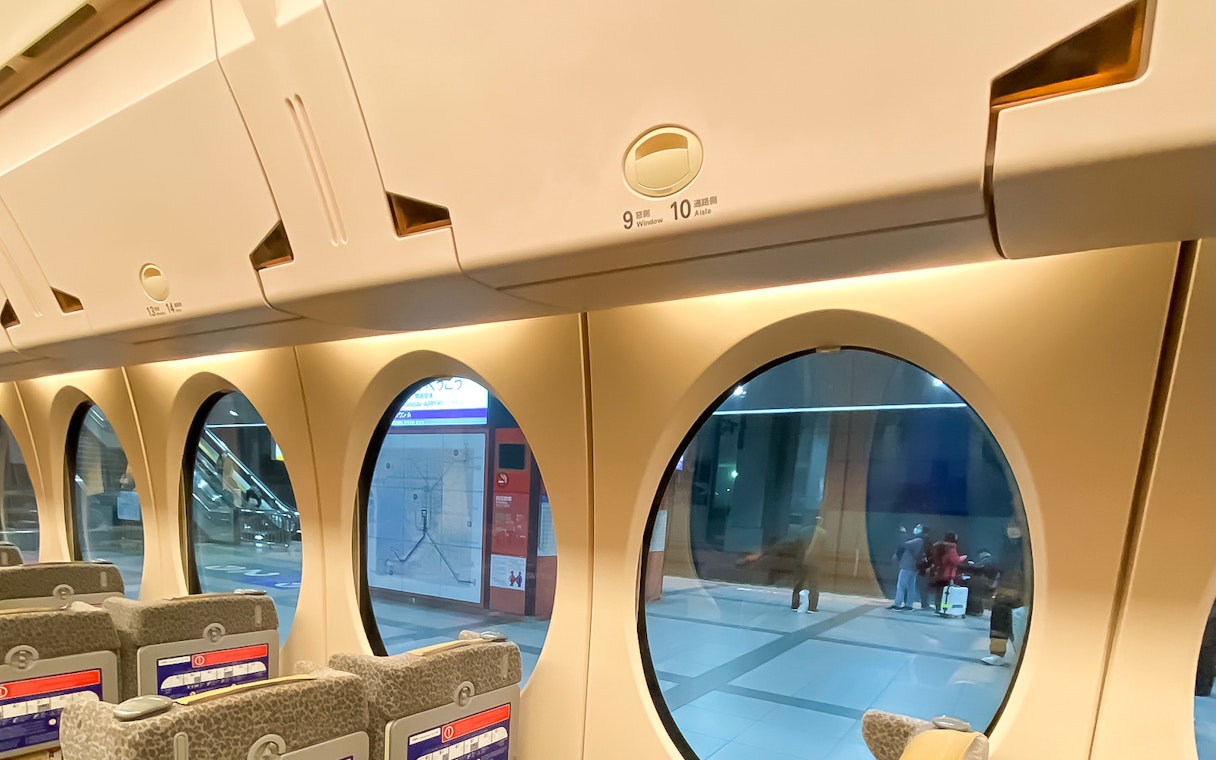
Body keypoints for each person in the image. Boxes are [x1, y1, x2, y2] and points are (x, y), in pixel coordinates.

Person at [983, 522, 1028, 666]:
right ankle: (997, 654)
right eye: (1010, 527)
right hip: (1003, 591)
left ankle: (1022, 654)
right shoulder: (1005, 548)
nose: (1013, 530)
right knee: (998, 624)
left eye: (1016, 527)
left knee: (1019, 625)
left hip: (1019, 592)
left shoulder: (1027, 549)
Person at [791, 516, 828, 613]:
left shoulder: (802, 531)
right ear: (820, 522)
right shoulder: (823, 533)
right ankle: (812, 607)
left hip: (801, 562)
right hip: (814, 564)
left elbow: (795, 546)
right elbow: (824, 551)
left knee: (798, 584)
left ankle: (795, 605)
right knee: (814, 585)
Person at [889, 524, 926, 610]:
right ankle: (909, 604)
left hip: (907, 566)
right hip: (914, 567)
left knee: (901, 585)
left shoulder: (918, 540)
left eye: (918, 528)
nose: (916, 529)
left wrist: (904, 534)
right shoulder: (921, 540)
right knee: (910, 586)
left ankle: (897, 603)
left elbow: (904, 544)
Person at [929, 532, 966, 612]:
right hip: (947, 574)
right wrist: (963, 558)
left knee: (938, 592)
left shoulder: (939, 546)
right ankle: (944, 608)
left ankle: (938, 607)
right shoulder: (951, 548)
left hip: (938, 572)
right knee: (946, 593)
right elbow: (955, 561)